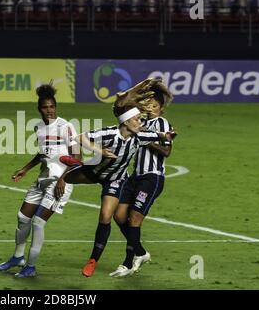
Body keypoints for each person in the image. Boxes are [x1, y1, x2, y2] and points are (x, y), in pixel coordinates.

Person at [56, 100, 176, 278]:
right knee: (61, 179)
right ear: (126, 122)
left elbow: (160, 137)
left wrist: (167, 136)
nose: (140, 123)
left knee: (106, 215)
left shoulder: (140, 137)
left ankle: (92, 261)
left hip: (115, 179)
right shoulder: (109, 132)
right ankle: (72, 167)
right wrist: (100, 151)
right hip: (95, 171)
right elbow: (79, 137)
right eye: (137, 119)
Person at [0, 83, 81, 277]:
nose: (49, 110)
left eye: (52, 106)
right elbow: (43, 153)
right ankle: (18, 257)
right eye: (45, 107)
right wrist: (25, 169)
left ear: (56, 107)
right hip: (43, 179)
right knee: (23, 217)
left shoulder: (66, 127)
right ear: (39, 109)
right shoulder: (39, 128)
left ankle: (31, 267)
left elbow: (77, 158)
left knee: (37, 222)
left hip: (61, 181)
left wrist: (63, 179)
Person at [109, 82, 175, 278]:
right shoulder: (141, 123)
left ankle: (128, 263)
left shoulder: (162, 123)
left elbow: (167, 151)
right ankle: (141, 252)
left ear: (161, 108)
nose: (151, 108)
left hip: (152, 177)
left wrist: (147, 139)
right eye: (149, 104)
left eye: (155, 105)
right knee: (119, 215)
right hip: (135, 176)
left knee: (135, 219)